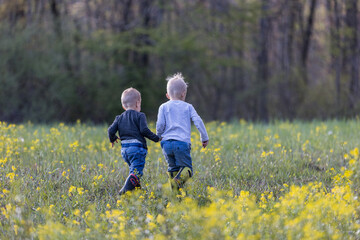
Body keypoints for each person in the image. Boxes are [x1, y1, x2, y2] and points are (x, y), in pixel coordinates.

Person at [156, 73, 209, 193]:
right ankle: (177, 182)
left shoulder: (163, 107)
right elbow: (198, 121)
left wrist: (158, 135)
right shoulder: (188, 107)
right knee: (187, 169)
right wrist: (204, 137)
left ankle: (176, 197)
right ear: (183, 93)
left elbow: (160, 124)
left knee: (173, 168)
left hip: (166, 144)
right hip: (181, 143)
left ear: (167, 95)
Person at [108, 88, 160, 195]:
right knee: (136, 173)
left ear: (123, 106)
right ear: (137, 103)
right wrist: (156, 138)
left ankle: (137, 192)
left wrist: (113, 138)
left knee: (133, 170)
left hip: (125, 151)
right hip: (137, 149)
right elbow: (144, 130)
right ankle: (125, 190)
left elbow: (110, 130)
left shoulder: (119, 118)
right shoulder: (140, 115)